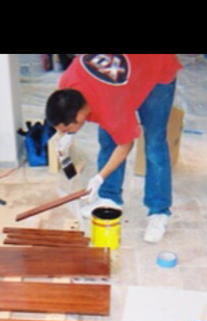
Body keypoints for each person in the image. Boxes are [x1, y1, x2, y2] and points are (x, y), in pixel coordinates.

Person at [45, 54, 182, 242]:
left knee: (154, 144)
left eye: (68, 128)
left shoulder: (109, 108)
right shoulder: (67, 84)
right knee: (108, 138)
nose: (66, 132)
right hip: (127, 74)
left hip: (157, 68)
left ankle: (159, 212)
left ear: (81, 114)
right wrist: (68, 134)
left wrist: (99, 178)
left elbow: (126, 145)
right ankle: (110, 197)